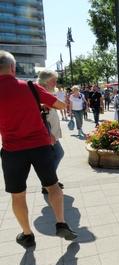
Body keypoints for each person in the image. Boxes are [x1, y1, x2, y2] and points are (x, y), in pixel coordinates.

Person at [0, 50, 77, 248]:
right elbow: (60, 105)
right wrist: (41, 106)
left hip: (12, 149)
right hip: (40, 146)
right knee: (52, 185)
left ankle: (27, 235)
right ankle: (61, 223)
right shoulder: (30, 87)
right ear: (13, 68)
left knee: (18, 194)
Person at [37, 70, 65, 194]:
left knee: (56, 155)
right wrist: (49, 134)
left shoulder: (46, 93)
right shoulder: (41, 95)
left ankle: (50, 182)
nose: (56, 83)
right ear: (46, 81)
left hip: (50, 134)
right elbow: (38, 118)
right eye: (54, 81)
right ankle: (48, 182)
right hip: (48, 135)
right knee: (58, 154)